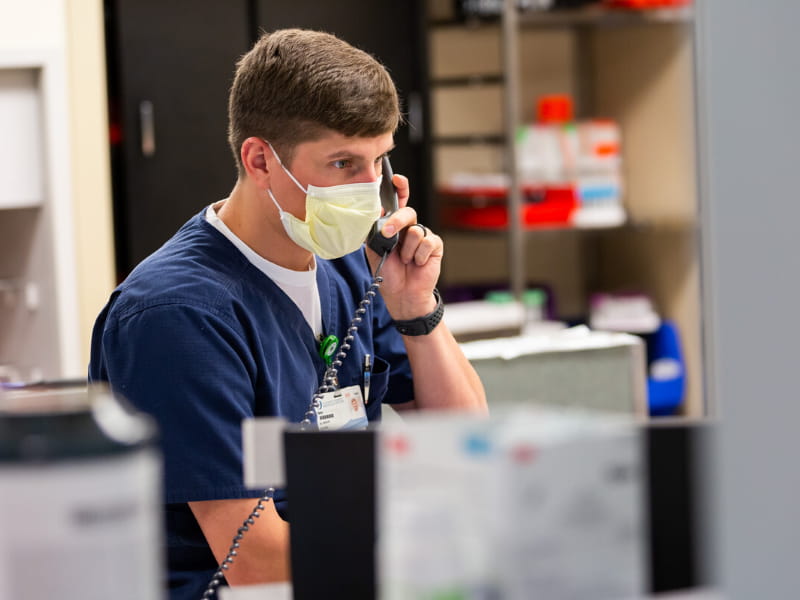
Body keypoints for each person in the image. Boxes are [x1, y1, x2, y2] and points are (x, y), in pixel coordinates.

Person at [89, 28, 487, 599]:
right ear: (260, 160)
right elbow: (257, 561)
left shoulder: (354, 267)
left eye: (379, 161)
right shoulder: (176, 315)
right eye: (343, 163)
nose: (370, 189)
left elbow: (467, 439)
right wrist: (431, 549)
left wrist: (417, 310)